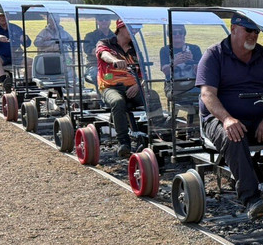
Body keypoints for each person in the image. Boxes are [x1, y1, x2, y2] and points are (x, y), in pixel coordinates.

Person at [196, 13, 263, 220]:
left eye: (256, 31)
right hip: (220, 119)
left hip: (260, 120)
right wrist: (227, 119)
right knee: (234, 135)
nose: (253, 35)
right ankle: (251, 198)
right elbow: (207, 95)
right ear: (233, 28)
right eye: (248, 30)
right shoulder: (214, 55)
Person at [95, 19, 161, 158]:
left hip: (133, 87)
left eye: (137, 29)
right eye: (132, 28)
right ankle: (124, 142)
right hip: (110, 87)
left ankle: (159, 132)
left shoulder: (135, 49)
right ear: (121, 27)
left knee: (153, 95)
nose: (135, 31)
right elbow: (104, 54)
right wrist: (115, 60)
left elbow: (144, 74)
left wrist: (138, 85)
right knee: (118, 101)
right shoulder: (105, 43)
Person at [159, 24, 203, 109]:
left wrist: (192, 61)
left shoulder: (194, 49)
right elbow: (165, 71)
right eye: (174, 33)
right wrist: (175, 62)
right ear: (169, 35)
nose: (177, 34)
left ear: (184, 34)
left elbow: (201, 72)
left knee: (206, 94)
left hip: (193, 84)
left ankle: (195, 115)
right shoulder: (165, 50)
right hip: (174, 86)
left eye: (180, 32)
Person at [0, 9, 28, 89]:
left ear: (8, 16)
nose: (2, 18)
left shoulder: (16, 28)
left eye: (4, 15)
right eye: (0, 16)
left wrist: (25, 39)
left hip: (16, 56)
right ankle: (4, 81)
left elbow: (28, 44)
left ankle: (27, 83)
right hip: (2, 57)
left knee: (31, 62)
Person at [83, 15, 114, 85]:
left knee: (124, 76)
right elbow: (90, 50)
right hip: (95, 66)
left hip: (112, 67)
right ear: (97, 21)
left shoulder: (115, 36)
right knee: (101, 77)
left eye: (106, 19)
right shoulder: (90, 36)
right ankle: (103, 91)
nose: (104, 21)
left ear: (110, 21)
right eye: (101, 19)